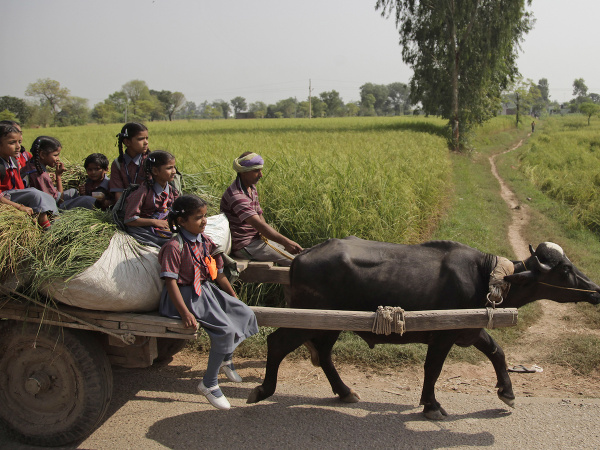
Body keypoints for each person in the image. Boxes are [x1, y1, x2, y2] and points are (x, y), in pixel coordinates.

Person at [159, 195, 258, 410]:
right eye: (198, 218)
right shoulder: (174, 246)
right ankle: (209, 383)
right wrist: (185, 313)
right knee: (224, 331)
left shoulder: (206, 241)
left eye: (205, 216)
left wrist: (233, 297)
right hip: (185, 296)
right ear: (182, 222)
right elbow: (170, 283)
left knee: (245, 314)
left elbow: (220, 274)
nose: (204, 221)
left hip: (205, 290)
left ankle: (225, 358)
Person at [220, 152, 303, 266]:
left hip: (256, 239)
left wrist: (267, 237)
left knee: (299, 255)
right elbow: (259, 225)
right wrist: (286, 242)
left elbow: (260, 216)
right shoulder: (237, 196)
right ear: (243, 172)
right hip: (245, 245)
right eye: (256, 171)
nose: (261, 175)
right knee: (297, 262)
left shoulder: (251, 188)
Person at [0, 124, 57, 230]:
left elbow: (20, 187)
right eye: (12, 143)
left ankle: (55, 218)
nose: (18, 146)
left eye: (18, 142)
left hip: (14, 194)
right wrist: (19, 207)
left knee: (39, 193)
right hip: (5, 198)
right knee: (35, 194)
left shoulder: (13, 162)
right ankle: (47, 228)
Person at [21, 136, 97, 210]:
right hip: (53, 208)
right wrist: (58, 176)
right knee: (88, 200)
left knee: (73, 191)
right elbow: (60, 201)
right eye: (55, 155)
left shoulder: (31, 165)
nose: (58, 158)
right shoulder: (41, 175)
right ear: (42, 155)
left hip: (46, 201)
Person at [122, 150, 178, 248]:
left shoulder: (171, 190)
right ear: (155, 171)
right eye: (169, 168)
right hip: (145, 228)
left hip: (163, 224)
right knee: (173, 242)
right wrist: (155, 222)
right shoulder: (142, 192)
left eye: (174, 167)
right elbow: (129, 219)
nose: (174, 171)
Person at [109, 122, 150, 201]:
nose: (146, 142)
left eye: (147, 138)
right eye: (140, 139)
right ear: (127, 142)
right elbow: (118, 193)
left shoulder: (150, 161)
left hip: (148, 206)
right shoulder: (118, 164)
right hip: (125, 205)